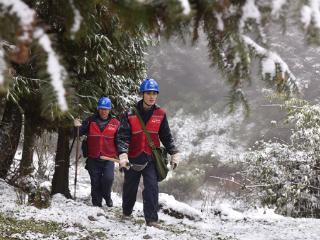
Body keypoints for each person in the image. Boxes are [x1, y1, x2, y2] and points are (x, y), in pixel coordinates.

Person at [116, 78, 181, 227]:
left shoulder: (161, 114)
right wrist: (123, 155)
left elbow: (166, 136)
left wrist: (174, 152)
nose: (152, 96)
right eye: (148, 93)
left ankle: (151, 220)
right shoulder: (129, 113)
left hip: (150, 159)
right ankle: (126, 212)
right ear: (142, 94)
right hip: (132, 159)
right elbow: (123, 136)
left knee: (152, 188)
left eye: (154, 93)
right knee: (129, 188)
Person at [74, 97, 120, 207]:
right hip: (93, 157)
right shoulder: (90, 121)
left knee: (108, 179)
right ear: (98, 109)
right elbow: (78, 133)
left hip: (108, 158)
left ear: (109, 110)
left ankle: (107, 196)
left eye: (106, 109)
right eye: (102, 109)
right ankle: (97, 206)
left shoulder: (116, 123)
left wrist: (122, 155)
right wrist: (77, 126)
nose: (104, 111)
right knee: (95, 183)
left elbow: (120, 140)